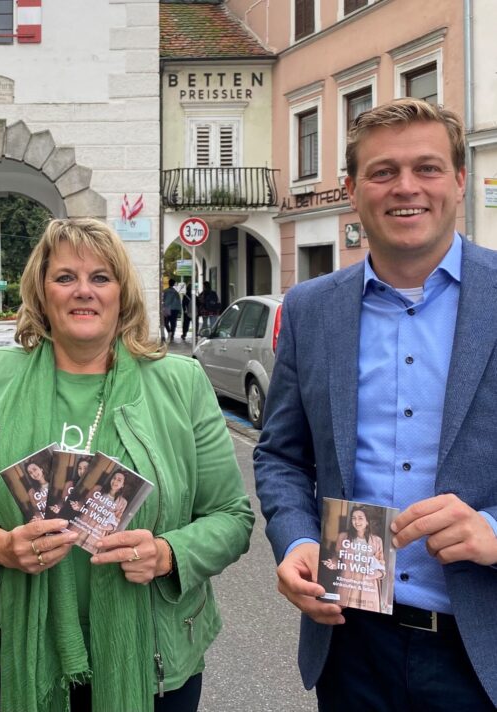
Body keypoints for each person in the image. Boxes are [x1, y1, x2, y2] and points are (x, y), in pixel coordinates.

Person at [0, 217, 253, 712]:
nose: (84, 291)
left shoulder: (180, 383)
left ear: (122, 292)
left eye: (101, 277)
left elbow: (232, 515)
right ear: (42, 291)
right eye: (65, 278)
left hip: (153, 657)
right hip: (18, 651)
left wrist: (167, 554)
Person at [254, 98, 497, 710]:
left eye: (428, 168)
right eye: (383, 172)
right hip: (351, 643)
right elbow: (282, 456)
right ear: (353, 189)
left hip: (482, 649)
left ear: (461, 181)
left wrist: (493, 530)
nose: (406, 187)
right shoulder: (310, 309)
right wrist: (297, 541)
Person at [319, 506, 386, 613]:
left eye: (360, 518)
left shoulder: (377, 541)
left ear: (367, 521)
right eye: (353, 518)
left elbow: (382, 566)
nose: (356, 521)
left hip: (368, 586)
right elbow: (338, 557)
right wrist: (333, 563)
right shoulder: (343, 537)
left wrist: (377, 574)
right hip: (347, 583)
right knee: (341, 615)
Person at [70, 470, 129, 553]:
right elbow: (84, 502)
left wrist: (108, 527)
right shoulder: (97, 489)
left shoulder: (122, 502)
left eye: (119, 480)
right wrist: (78, 506)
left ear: (123, 485)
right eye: (114, 478)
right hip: (82, 525)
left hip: (97, 534)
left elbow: (116, 522)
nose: (115, 481)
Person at [161, 278, 182, 343]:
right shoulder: (176, 292)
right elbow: (178, 302)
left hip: (167, 308)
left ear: (169, 283)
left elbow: (162, 300)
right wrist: (179, 310)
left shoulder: (165, 291)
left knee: (165, 322)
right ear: (173, 284)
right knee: (173, 322)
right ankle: (172, 334)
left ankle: (169, 331)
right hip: (174, 309)